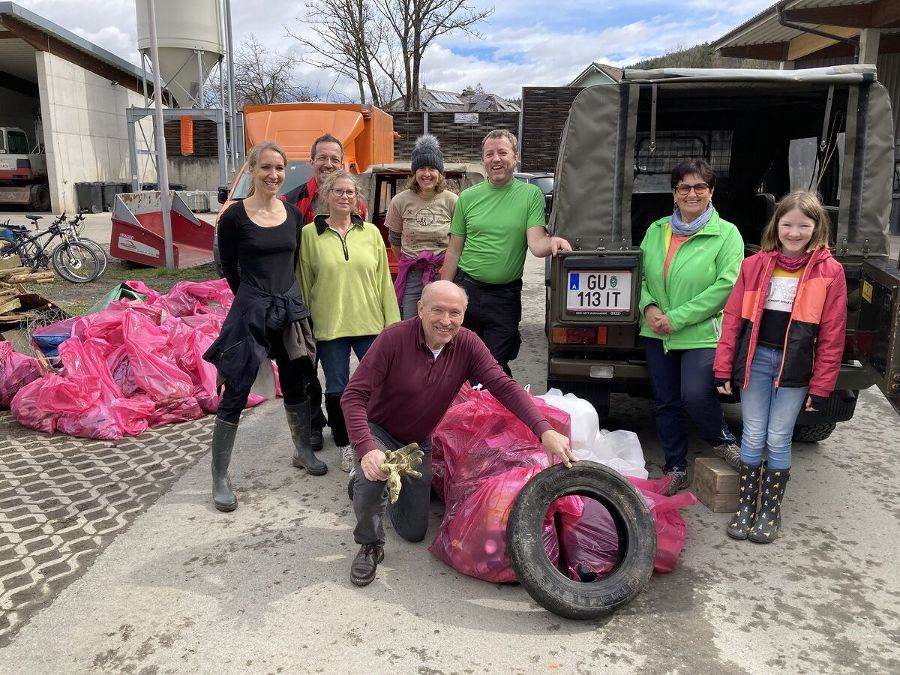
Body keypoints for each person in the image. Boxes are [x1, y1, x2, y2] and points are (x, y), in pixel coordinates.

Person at [341, 280, 575, 587]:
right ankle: (370, 542)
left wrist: (544, 430)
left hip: (417, 443)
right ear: (420, 309)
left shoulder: (468, 344)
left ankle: (370, 488)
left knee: (413, 532)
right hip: (379, 431)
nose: (446, 320)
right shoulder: (394, 338)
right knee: (373, 475)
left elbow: (503, 385)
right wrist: (367, 448)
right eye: (438, 310)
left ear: (464, 315)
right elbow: (353, 396)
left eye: (455, 312)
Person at [714, 191, 846, 543]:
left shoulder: (830, 272)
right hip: (756, 362)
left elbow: (833, 335)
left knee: (778, 437)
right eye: (787, 224)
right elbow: (731, 321)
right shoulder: (754, 266)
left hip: (795, 370)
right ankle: (746, 507)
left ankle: (770, 511)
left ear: (817, 227)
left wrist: (820, 387)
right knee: (753, 435)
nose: (794, 232)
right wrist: (723, 367)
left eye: (804, 225)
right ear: (777, 226)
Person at [204, 140, 326, 513]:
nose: (273, 175)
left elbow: (295, 261)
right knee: (237, 391)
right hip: (252, 309)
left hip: (288, 307)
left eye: (279, 169)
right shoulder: (234, 218)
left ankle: (303, 449)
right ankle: (220, 476)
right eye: (266, 168)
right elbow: (228, 267)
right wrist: (251, 299)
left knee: (297, 381)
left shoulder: (292, 214)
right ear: (252, 171)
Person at [638, 158, 743, 496]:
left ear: (711, 192)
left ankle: (721, 439)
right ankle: (676, 467)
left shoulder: (726, 234)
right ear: (674, 192)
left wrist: (677, 318)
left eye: (700, 187)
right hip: (657, 331)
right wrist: (649, 307)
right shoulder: (656, 230)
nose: (692, 193)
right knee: (666, 401)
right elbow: (639, 276)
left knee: (695, 395)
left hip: (699, 332)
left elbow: (726, 286)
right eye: (685, 187)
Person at [441, 129, 571, 376]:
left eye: (502, 152)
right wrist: (442, 292)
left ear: (516, 157)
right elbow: (454, 251)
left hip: (505, 297)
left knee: (493, 366)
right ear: (484, 161)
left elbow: (536, 243)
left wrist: (553, 242)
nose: (496, 159)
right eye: (489, 154)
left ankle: (497, 411)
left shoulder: (530, 195)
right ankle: (466, 413)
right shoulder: (467, 198)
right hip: (466, 290)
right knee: (459, 362)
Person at [299, 170, 400, 474]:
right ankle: (345, 444)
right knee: (338, 389)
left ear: (358, 198)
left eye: (350, 192)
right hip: (330, 326)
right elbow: (303, 283)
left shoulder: (370, 232)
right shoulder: (309, 235)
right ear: (325, 195)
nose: (345, 196)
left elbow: (384, 282)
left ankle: (376, 439)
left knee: (379, 386)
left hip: (370, 323)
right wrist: (304, 328)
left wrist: (392, 325)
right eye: (338, 191)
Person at [281, 133, 368, 452]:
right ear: (312, 162)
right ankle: (314, 423)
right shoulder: (291, 202)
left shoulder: (355, 201)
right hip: (296, 293)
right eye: (323, 158)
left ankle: (353, 424)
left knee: (335, 368)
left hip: (335, 297)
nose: (329, 164)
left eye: (335, 159)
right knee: (305, 366)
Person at [387, 134, 458, 319]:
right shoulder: (399, 201)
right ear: (414, 173)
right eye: (421, 168)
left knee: (441, 322)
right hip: (412, 273)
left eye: (432, 168)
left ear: (440, 173)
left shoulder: (452, 201)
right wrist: (411, 259)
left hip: (443, 271)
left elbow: (460, 240)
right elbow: (394, 239)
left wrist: (447, 267)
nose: (427, 174)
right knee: (411, 321)